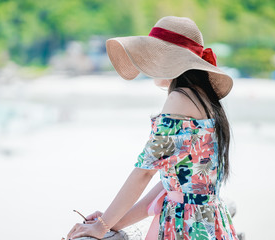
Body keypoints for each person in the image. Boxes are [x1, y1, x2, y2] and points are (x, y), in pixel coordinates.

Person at [67, 16, 238, 240]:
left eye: (156, 56)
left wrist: (101, 226)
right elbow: (169, 186)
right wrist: (111, 220)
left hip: (185, 227)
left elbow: (145, 172)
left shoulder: (180, 98)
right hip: (207, 222)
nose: (150, 65)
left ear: (172, 60)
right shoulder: (204, 99)